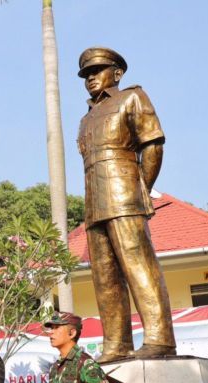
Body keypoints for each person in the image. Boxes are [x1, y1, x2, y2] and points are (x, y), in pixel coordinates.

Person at [76, 46, 176, 361]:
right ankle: (116, 344)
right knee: (104, 275)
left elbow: (153, 147)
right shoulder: (86, 118)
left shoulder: (132, 98)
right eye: (87, 74)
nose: (91, 78)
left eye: (98, 70)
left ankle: (160, 337)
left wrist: (141, 189)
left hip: (124, 194)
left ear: (117, 73)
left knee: (138, 265)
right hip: (94, 201)